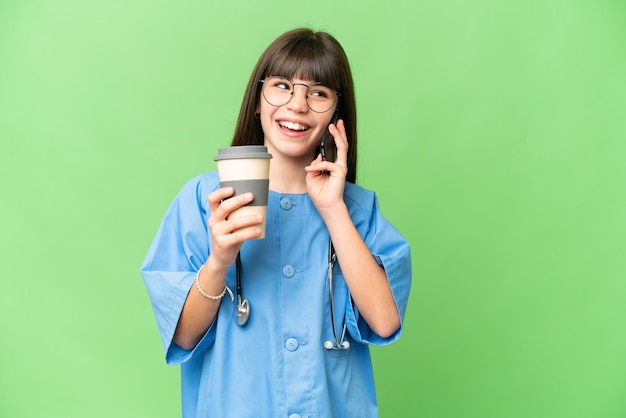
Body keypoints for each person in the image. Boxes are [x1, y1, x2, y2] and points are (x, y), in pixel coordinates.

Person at [141, 28, 412, 418]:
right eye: (282, 85)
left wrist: (334, 209)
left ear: (337, 112)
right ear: (257, 100)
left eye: (318, 92)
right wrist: (219, 259)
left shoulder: (358, 210)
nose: (297, 104)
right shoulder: (204, 200)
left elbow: (385, 322)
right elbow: (183, 335)